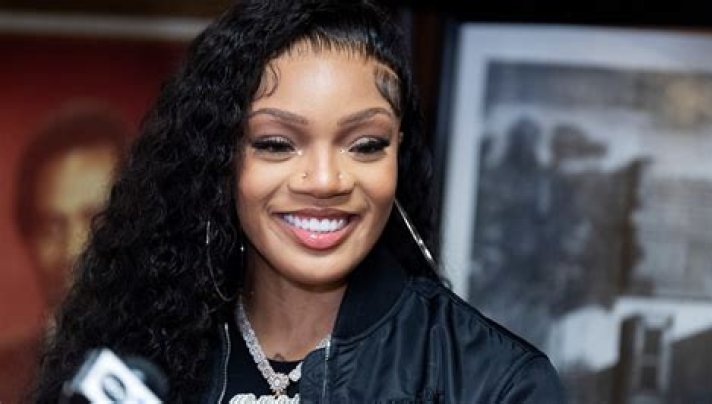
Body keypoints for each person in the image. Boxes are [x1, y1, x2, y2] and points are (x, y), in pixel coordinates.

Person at [34, 1, 565, 402]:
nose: (326, 180)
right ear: (221, 159)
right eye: (275, 144)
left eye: (366, 145)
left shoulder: (495, 383)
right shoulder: (147, 356)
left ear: (398, 155)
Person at [1, 105, 126, 403]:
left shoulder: (203, 359)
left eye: (96, 219)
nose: (74, 248)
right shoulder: (4, 380)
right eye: (51, 227)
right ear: (29, 241)